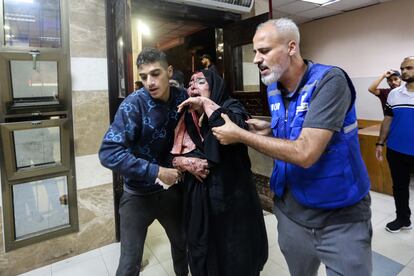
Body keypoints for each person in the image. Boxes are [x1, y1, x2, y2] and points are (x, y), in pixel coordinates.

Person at [211, 18, 372, 276]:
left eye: (264, 51)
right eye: (255, 52)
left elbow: (306, 152)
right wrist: (272, 128)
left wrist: (241, 135)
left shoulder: (330, 81)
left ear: (291, 47)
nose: (255, 59)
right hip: (292, 211)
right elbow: (299, 124)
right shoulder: (274, 86)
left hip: (339, 216)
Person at [99, 47, 188, 276]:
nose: (150, 82)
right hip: (137, 193)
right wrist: (156, 171)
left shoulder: (183, 97)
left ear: (169, 72)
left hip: (171, 192)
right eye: (143, 76)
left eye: (156, 74)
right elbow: (108, 153)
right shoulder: (133, 105)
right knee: (129, 263)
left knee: (184, 245)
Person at [174, 70, 268, 276]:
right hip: (199, 198)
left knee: (236, 254)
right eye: (190, 83)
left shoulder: (232, 107)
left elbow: (230, 127)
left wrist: (207, 105)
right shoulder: (185, 116)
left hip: (233, 195)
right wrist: (182, 161)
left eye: (200, 81)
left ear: (215, 87)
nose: (193, 85)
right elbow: (169, 153)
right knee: (203, 252)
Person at [376, 56, 414, 233]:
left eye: (409, 68)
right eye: (403, 68)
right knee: (399, 187)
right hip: (396, 151)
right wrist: (380, 143)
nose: (405, 71)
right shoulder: (394, 94)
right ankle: (403, 219)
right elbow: (388, 119)